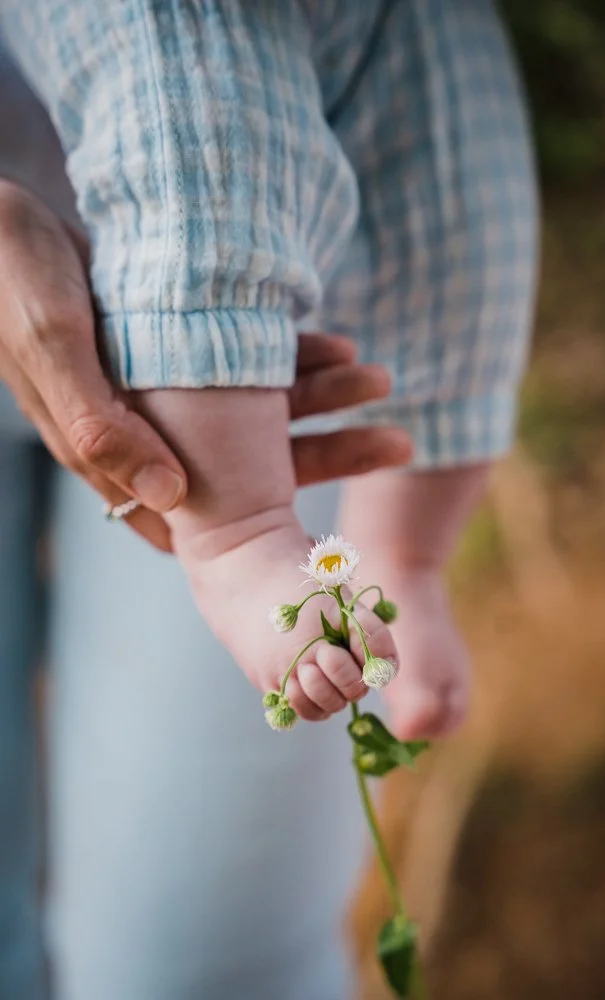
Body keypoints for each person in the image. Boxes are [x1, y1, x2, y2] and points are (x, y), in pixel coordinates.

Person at [0, 1, 538, 998]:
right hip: (193, 248)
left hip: (260, 312)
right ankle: (244, 539)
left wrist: (393, 549)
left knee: (199, 959)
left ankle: (359, 555)